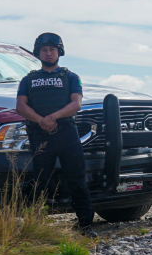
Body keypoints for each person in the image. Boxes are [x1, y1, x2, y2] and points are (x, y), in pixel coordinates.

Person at [15, 32, 95, 232]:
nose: (48, 53)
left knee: (77, 179)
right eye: (44, 50)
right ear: (38, 53)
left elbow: (76, 104)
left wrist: (53, 117)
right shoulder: (28, 80)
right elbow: (20, 106)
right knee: (40, 180)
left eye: (52, 49)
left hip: (67, 133)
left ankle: (85, 225)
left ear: (59, 51)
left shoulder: (71, 77)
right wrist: (41, 120)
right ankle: (34, 225)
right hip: (40, 134)